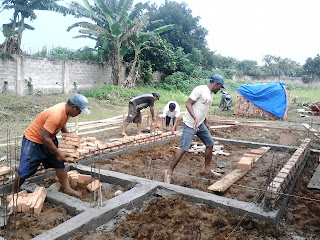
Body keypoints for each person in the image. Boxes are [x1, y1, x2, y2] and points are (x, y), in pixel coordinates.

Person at [12, 94, 90, 196]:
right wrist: (58, 153)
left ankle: (67, 188)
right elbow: (43, 137)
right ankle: (13, 193)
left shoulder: (67, 111)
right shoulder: (56, 114)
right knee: (25, 170)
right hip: (33, 141)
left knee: (59, 164)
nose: (79, 113)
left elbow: (62, 123)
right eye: (79, 111)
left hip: (49, 139)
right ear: (73, 107)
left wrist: (67, 136)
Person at [164, 74, 226, 184]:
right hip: (190, 123)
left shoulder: (210, 95)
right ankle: (168, 172)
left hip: (200, 124)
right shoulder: (200, 89)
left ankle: (207, 169)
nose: (219, 89)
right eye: (220, 87)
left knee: (210, 144)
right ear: (216, 84)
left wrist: (205, 122)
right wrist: (195, 118)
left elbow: (202, 110)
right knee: (184, 148)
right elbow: (188, 104)